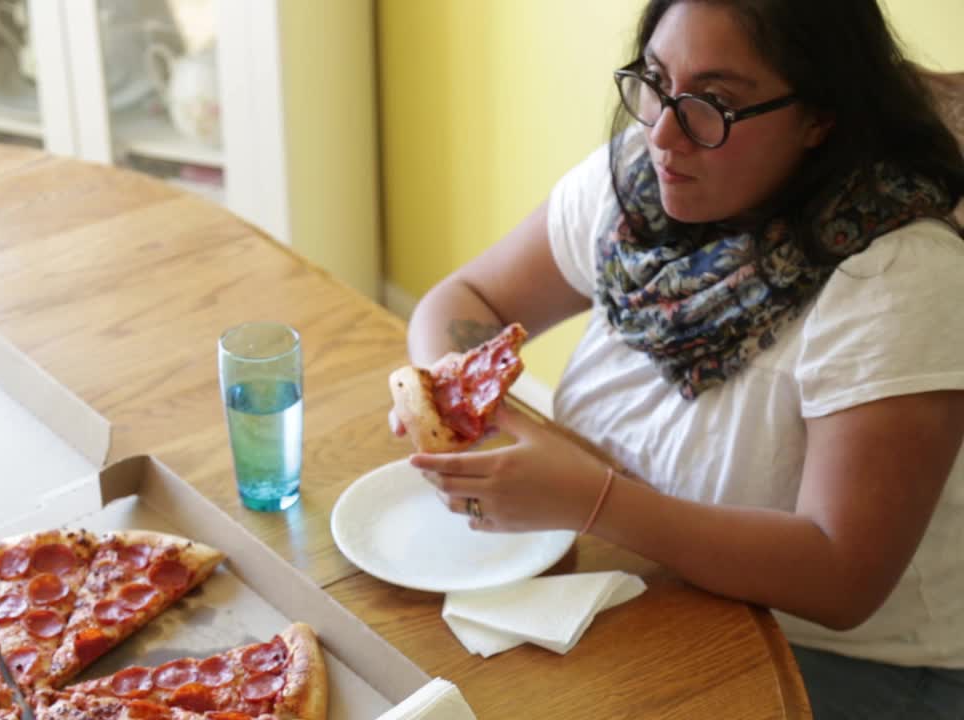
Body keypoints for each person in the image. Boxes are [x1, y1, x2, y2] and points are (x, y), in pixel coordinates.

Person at [394, 1, 964, 717]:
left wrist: (592, 497)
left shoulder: (898, 278)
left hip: (831, 660)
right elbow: (466, 296)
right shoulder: (639, 185)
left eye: (714, 103)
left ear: (821, 117)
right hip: (636, 580)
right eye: (656, 80)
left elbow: (841, 577)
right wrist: (453, 394)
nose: (663, 132)